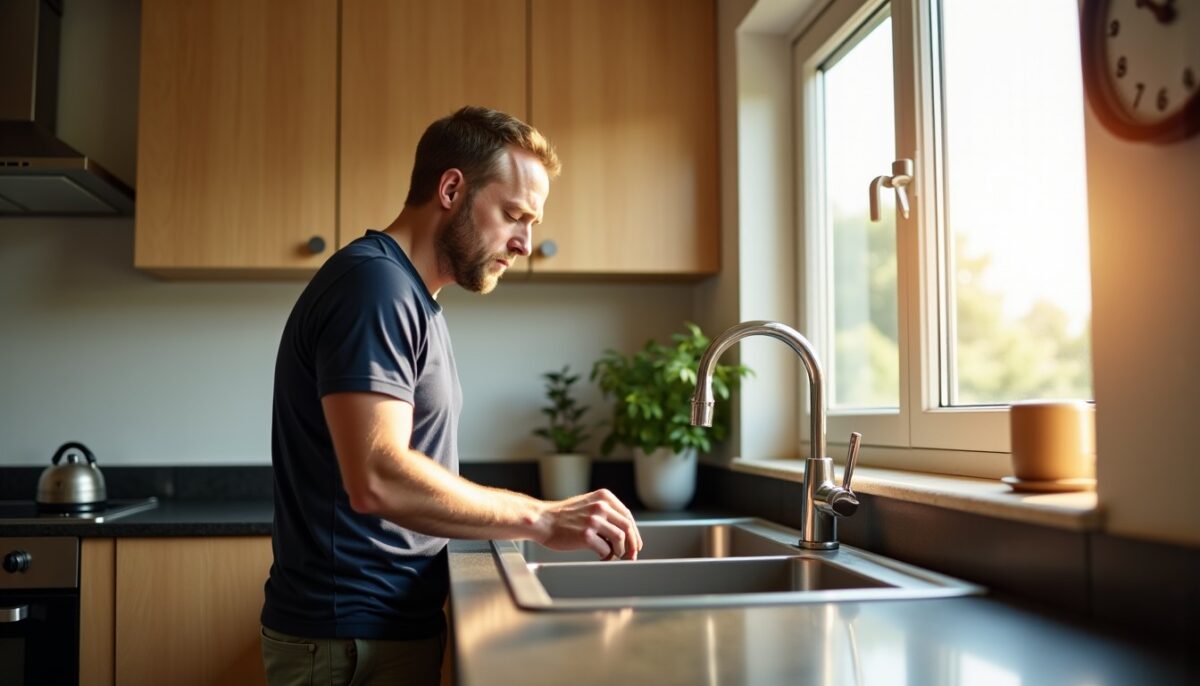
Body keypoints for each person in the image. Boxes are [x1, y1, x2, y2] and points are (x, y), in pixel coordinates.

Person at [259, 106, 643, 686]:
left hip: (375, 633)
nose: (525, 243)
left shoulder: (412, 297)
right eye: (514, 214)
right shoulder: (374, 288)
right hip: (347, 644)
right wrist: (540, 517)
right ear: (451, 188)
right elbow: (378, 477)